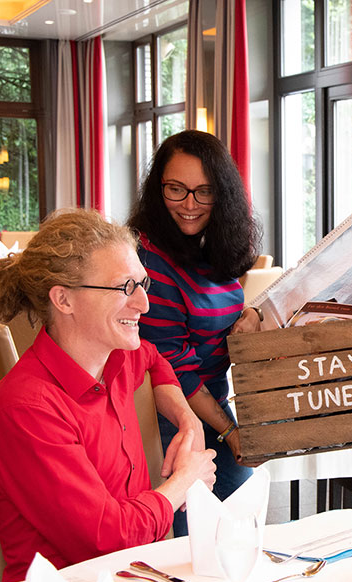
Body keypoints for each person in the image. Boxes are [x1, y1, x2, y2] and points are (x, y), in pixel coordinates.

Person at [0, 209, 216, 582]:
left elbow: (156, 361)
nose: (143, 304)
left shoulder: (118, 358)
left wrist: (187, 419)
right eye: (124, 288)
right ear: (64, 300)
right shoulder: (25, 409)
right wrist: (184, 481)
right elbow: (106, 539)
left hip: (137, 578)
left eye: (143, 284)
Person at [128, 130, 262, 536]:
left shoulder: (209, 247)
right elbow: (175, 369)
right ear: (157, 189)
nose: (189, 205)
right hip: (169, 421)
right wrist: (230, 431)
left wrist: (252, 313)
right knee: (201, 548)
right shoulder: (150, 260)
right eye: (176, 189)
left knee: (235, 531)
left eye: (204, 192)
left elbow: (223, 314)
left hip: (214, 408)